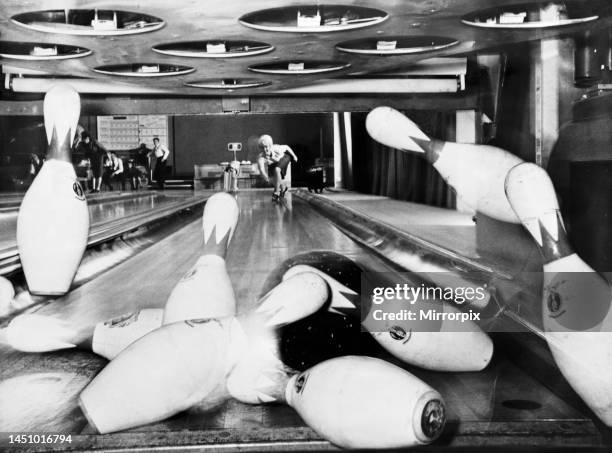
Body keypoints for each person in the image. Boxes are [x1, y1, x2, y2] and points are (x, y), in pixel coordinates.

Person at [256, 134, 298, 201]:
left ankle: (276, 192)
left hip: (285, 157)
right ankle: (283, 188)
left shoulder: (276, 148)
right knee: (272, 177)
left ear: (270, 145)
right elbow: (261, 169)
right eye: (262, 147)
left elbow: (286, 148)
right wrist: (266, 178)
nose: (265, 149)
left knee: (277, 169)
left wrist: (294, 156)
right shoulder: (260, 157)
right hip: (275, 161)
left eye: (266, 147)